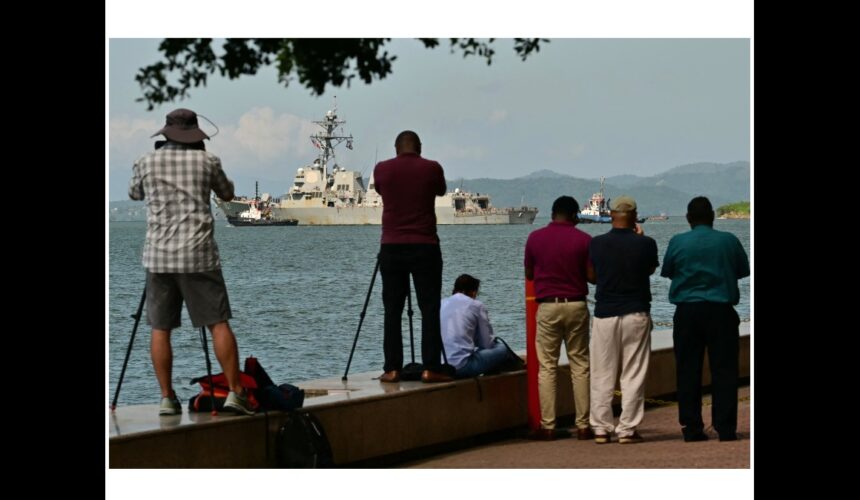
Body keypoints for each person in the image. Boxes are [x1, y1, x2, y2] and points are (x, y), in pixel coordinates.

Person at [128, 108, 254, 416]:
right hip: (199, 256)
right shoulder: (207, 161)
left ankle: (166, 398)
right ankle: (236, 392)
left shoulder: (146, 161)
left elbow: (134, 193)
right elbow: (228, 193)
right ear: (196, 135)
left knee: (160, 328)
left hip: (159, 257)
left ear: (166, 133)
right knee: (218, 323)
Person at [661, 196, 750, 442]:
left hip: (687, 312)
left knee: (688, 370)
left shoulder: (677, 241)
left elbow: (667, 271)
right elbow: (743, 270)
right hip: (721, 311)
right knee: (725, 370)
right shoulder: (729, 240)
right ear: (712, 216)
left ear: (688, 218)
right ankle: (726, 428)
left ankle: (692, 428)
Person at [373, 130, 451, 383]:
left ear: (396, 148)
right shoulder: (432, 168)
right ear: (420, 147)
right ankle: (431, 368)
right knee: (429, 308)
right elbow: (441, 190)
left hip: (391, 246)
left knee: (392, 310)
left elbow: (382, 190)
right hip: (425, 246)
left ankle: (392, 368)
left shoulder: (382, 169)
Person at [587, 196, 659, 444]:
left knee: (602, 372)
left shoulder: (596, 243)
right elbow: (649, 269)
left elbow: (591, 276)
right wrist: (640, 239)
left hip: (605, 314)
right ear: (635, 216)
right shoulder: (647, 243)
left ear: (611, 214)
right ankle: (627, 429)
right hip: (636, 312)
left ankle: (600, 428)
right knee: (633, 372)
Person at [524, 196, 595, 440]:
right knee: (580, 365)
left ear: (553, 213)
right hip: (576, 304)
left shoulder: (535, 238)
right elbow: (591, 277)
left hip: (548, 306)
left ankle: (548, 426)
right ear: (575, 215)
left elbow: (529, 273)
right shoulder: (584, 239)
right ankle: (583, 426)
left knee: (547, 367)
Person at [440, 274, 518, 378]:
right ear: (473, 292)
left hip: (441, 366)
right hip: (462, 367)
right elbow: (487, 343)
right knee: (501, 348)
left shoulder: (442, 303)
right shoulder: (476, 305)